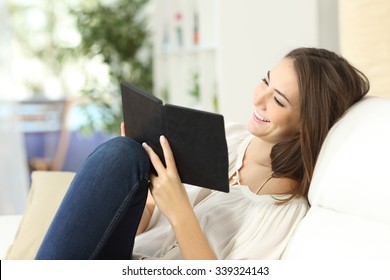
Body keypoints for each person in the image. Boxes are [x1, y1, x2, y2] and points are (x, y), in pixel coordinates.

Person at [35, 47, 370, 260]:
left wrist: (180, 210)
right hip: (126, 257)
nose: (258, 99)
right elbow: (139, 229)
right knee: (122, 154)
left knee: (120, 154)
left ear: (306, 125)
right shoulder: (225, 137)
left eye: (278, 100)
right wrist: (139, 188)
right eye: (265, 81)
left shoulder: (282, 213)